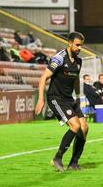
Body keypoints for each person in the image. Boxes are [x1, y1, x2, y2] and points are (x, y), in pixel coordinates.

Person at [34, 32, 88, 172]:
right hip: (56, 98)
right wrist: (41, 99)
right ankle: (57, 158)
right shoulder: (58, 59)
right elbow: (43, 78)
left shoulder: (78, 61)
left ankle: (73, 163)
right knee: (75, 125)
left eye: (81, 45)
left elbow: (75, 79)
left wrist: (78, 96)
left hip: (69, 99)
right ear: (69, 43)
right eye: (77, 45)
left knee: (84, 127)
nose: (79, 48)